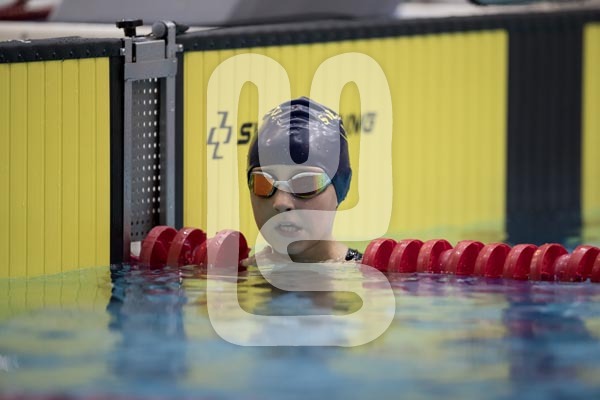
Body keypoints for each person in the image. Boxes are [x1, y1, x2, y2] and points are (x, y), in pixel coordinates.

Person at [241, 97, 362, 266]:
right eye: (264, 183)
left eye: (305, 184)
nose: (281, 202)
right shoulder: (239, 271)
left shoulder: (370, 276)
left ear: (342, 187)